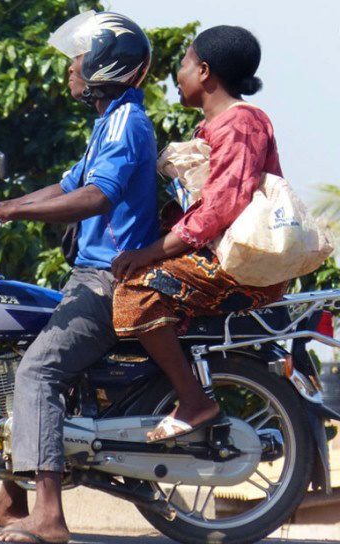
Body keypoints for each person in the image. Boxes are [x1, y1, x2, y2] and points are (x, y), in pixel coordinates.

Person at [0, 11, 158, 544]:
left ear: (109, 63)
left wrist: (9, 214)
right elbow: (62, 188)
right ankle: (10, 499)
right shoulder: (108, 122)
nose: (70, 70)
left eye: (78, 59)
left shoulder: (128, 123)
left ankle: (50, 519)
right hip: (90, 275)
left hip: (110, 279)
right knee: (11, 354)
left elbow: (94, 197)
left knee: (38, 374)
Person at [111, 25, 286, 442]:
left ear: (205, 71)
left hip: (239, 267)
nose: (178, 74)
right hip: (216, 260)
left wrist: (151, 251)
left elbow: (220, 209)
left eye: (185, 64)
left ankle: (194, 400)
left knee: (135, 294)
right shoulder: (212, 127)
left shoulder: (241, 123)